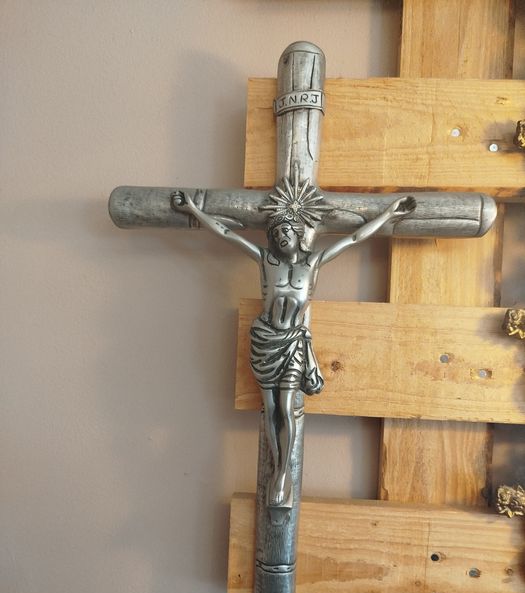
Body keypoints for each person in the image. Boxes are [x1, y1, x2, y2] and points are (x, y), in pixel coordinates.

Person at [171, 188, 416, 508]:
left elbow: (354, 238)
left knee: (286, 409)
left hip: (293, 343)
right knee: (270, 408)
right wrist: (193, 209)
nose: (281, 236)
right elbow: (227, 234)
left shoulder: (312, 263)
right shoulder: (265, 260)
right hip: (265, 340)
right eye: (276, 233)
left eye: (286, 230)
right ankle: (278, 465)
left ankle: (281, 474)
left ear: (298, 234)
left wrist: (388, 214)